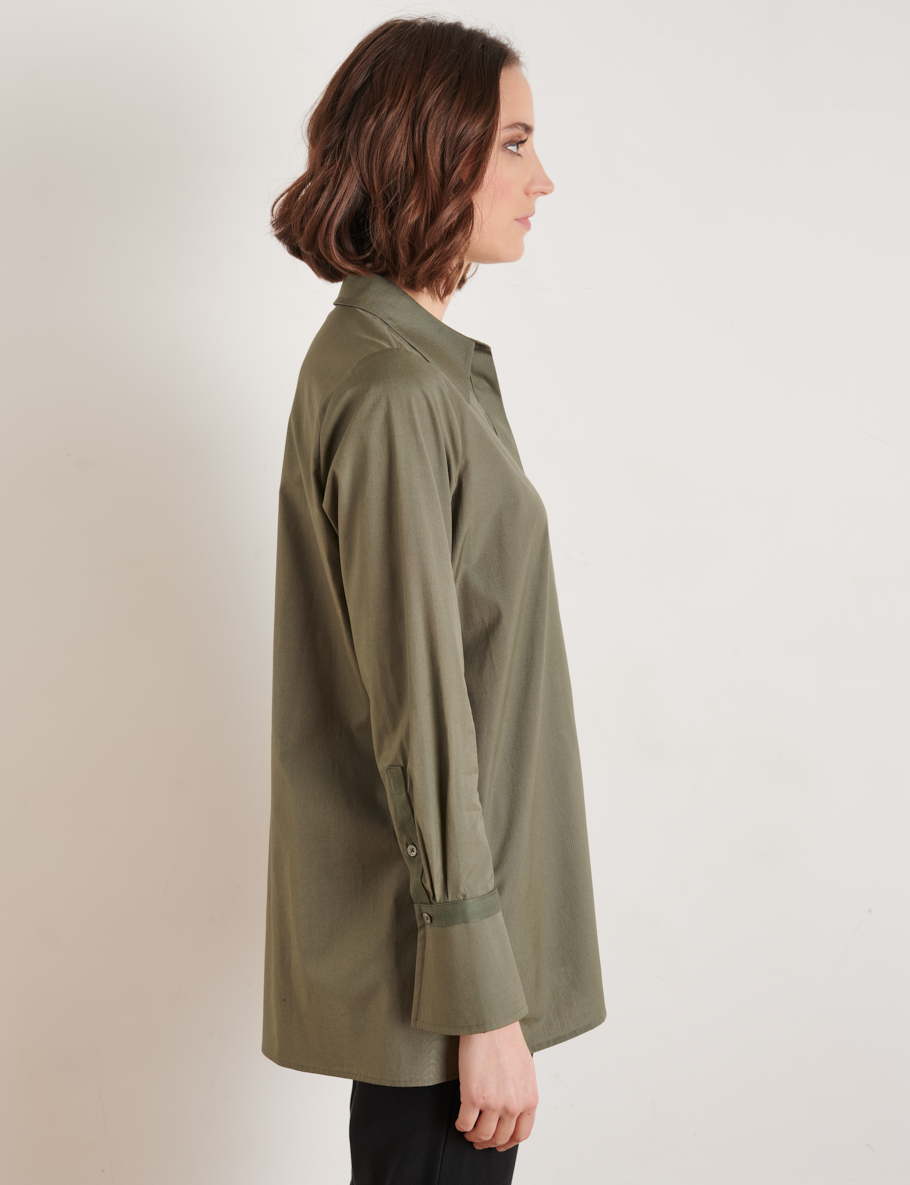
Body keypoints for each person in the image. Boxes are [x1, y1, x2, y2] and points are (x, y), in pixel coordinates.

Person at [263, 17, 606, 1184]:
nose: (540, 178)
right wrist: (481, 1004)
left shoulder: (404, 368)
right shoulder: (396, 393)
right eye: (513, 144)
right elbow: (419, 713)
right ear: (430, 152)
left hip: (444, 971)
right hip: (440, 990)